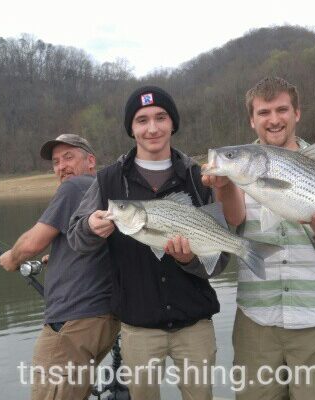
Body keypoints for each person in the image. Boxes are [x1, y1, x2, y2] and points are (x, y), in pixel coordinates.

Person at [67, 86, 243, 400]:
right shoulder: (108, 180)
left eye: (161, 117)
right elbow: (76, 239)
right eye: (142, 120)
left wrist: (189, 260)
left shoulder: (199, 178)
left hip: (194, 324)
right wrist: (91, 228)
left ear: (172, 123)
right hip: (138, 327)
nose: (152, 128)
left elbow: (219, 263)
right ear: (131, 129)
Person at [206, 76, 315, 399]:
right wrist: (223, 189)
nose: (274, 119)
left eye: (282, 110)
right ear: (252, 120)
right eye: (264, 112)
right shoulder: (240, 165)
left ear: (297, 113)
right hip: (257, 321)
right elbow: (235, 221)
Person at [0, 134, 119, 400]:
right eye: (55, 162)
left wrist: (12, 258)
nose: (62, 167)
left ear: (90, 161)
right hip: (104, 322)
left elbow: (32, 243)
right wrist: (58, 259)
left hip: (72, 324)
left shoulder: (73, 188)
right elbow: (92, 246)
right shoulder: (106, 192)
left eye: (68, 157)